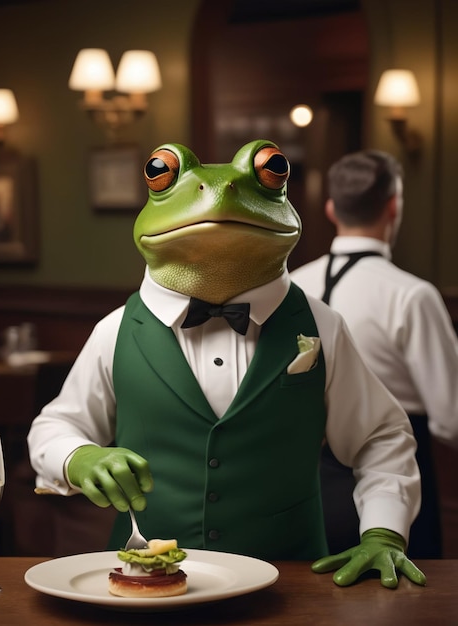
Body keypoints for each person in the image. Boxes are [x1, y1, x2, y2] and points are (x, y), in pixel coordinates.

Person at [28, 140, 426, 588]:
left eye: (271, 170)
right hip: (142, 583)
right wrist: (77, 456)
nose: (219, 197)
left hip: (291, 583)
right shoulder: (115, 330)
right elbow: (53, 426)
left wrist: (384, 531)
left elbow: (382, 435)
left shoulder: (322, 325)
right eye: (162, 172)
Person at [290, 149, 458, 559]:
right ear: (393, 206)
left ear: (331, 209)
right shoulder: (412, 295)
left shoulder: (292, 286)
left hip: (301, 479)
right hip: (398, 475)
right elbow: (451, 417)